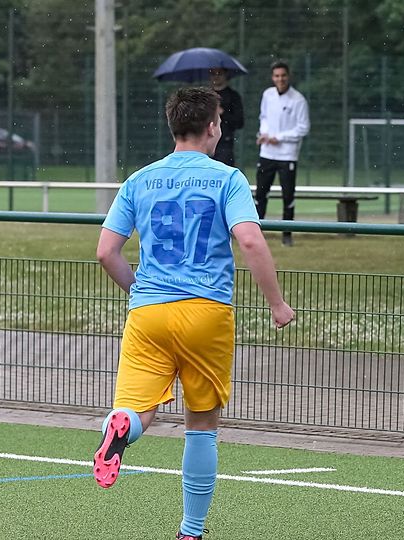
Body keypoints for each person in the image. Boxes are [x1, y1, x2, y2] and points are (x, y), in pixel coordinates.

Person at [92, 86, 294, 540]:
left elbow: (106, 252)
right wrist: (277, 304)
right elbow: (250, 240)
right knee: (201, 426)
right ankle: (190, 531)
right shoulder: (227, 179)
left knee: (136, 409)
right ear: (213, 127)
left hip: (148, 314)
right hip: (206, 312)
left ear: (172, 126)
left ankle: (121, 429)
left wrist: (139, 289)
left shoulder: (139, 180)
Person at [254, 60, 310, 246]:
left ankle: (287, 235)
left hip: (287, 155)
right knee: (261, 194)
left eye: (283, 75)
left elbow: (303, 128)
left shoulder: (298, 99)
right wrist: (264, 134)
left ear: (289, 76)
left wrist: (279, 137)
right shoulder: (267, 95)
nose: (280, 79)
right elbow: (263, 118)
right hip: (267, 154)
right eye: (277, 76)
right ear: (272, 77)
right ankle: (257, 233)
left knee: (288, 196)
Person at [209, 68, 245, 167]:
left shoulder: (233, 96)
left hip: (225, 143)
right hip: (206, 141)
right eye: (213, 73)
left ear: (226, 75)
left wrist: (222, 112)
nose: (216, 76)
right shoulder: (206, 96)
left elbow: (239, 122)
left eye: (219, 73)